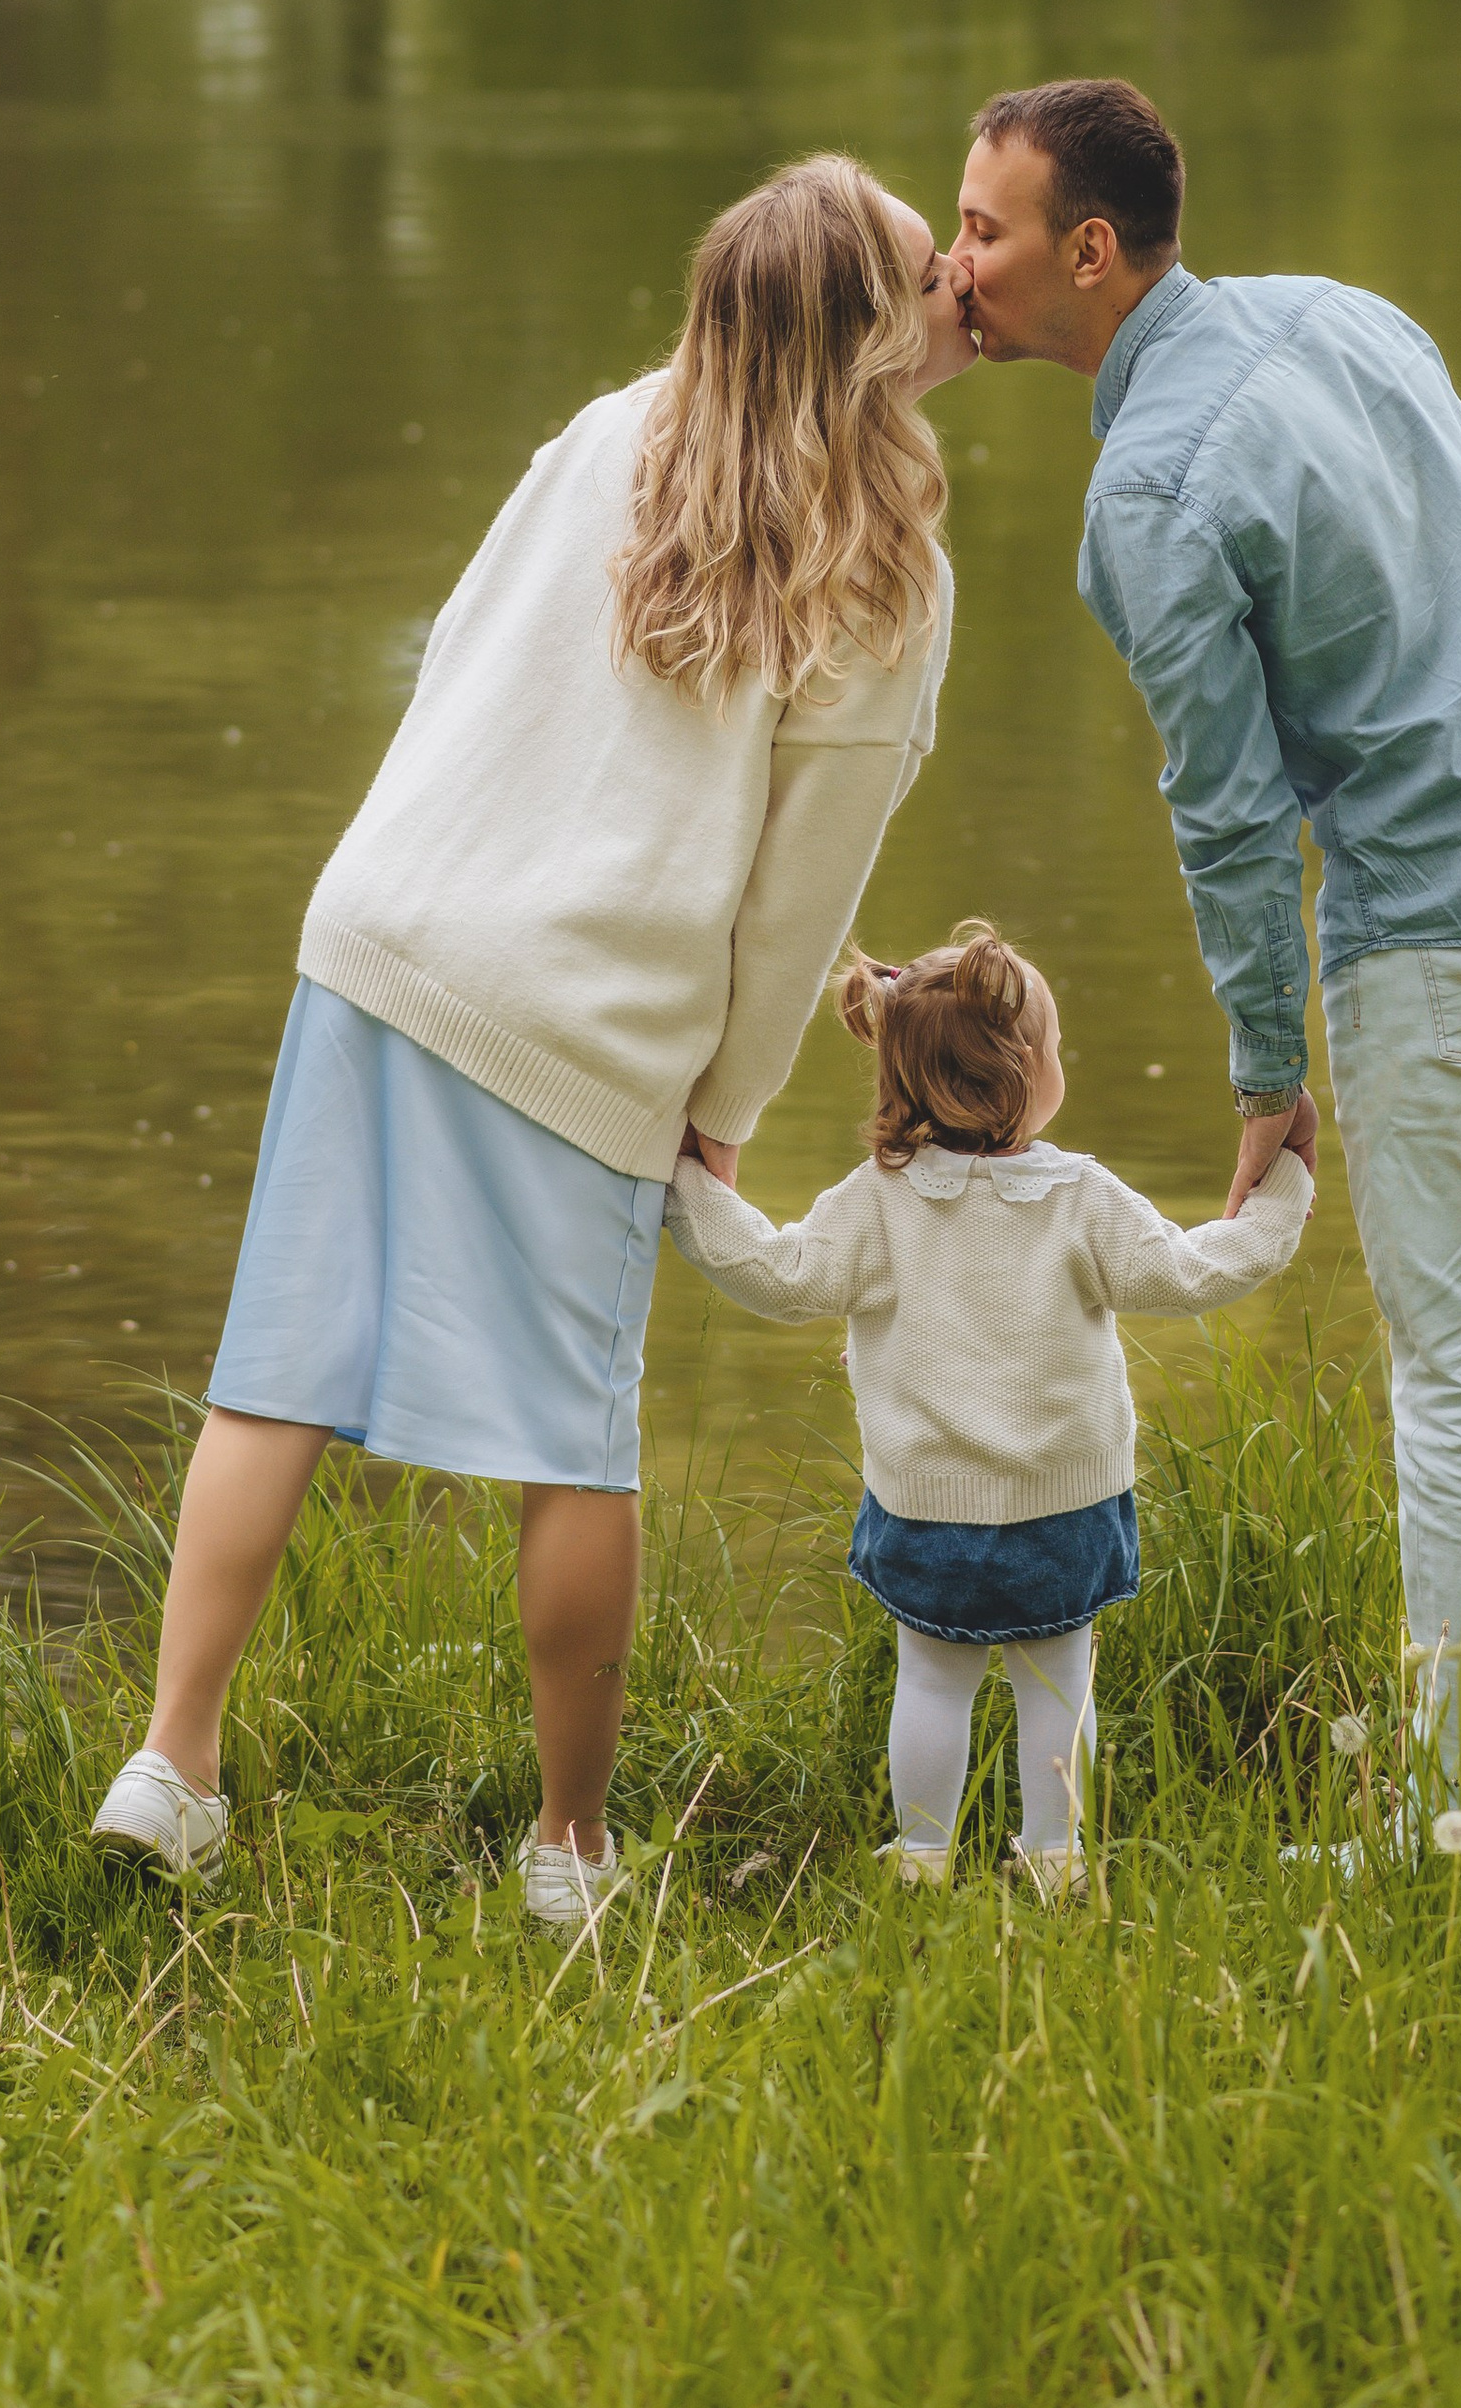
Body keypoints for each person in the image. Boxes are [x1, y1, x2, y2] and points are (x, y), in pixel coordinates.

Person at [90, 155, 977, 1926]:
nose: (959, 276)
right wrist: (722, 1106)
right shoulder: (885, 573)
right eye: (920, 263)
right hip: (583, 1014)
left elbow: (456, 668)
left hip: (384, 940)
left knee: (282, 1367)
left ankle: (171, 1760)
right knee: (573, 1442)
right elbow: (803, 897)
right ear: (868, 343)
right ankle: (569, 1850)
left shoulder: (605, 436)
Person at [951, 79, 1461, 1856]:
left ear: (1090, 253)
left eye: (985, 232)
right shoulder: (1340, 314)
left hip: (1459, 929)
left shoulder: (1149, 495)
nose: (959, 268)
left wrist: (1265, 1075)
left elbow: (1232, 816)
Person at [667, 920, 1314, 1895]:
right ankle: (1054, 1859)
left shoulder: (877, 1199)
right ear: (1019, 1076)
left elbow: (776, 1272)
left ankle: (923, 1856)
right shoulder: (1078, 1196)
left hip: (927, 1508)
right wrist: (1285, 1186)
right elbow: (1194, 1273)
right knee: (1058, 1685)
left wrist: (687, 1185)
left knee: (930, 1682)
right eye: (1052, 1048)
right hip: (1067, 1503)